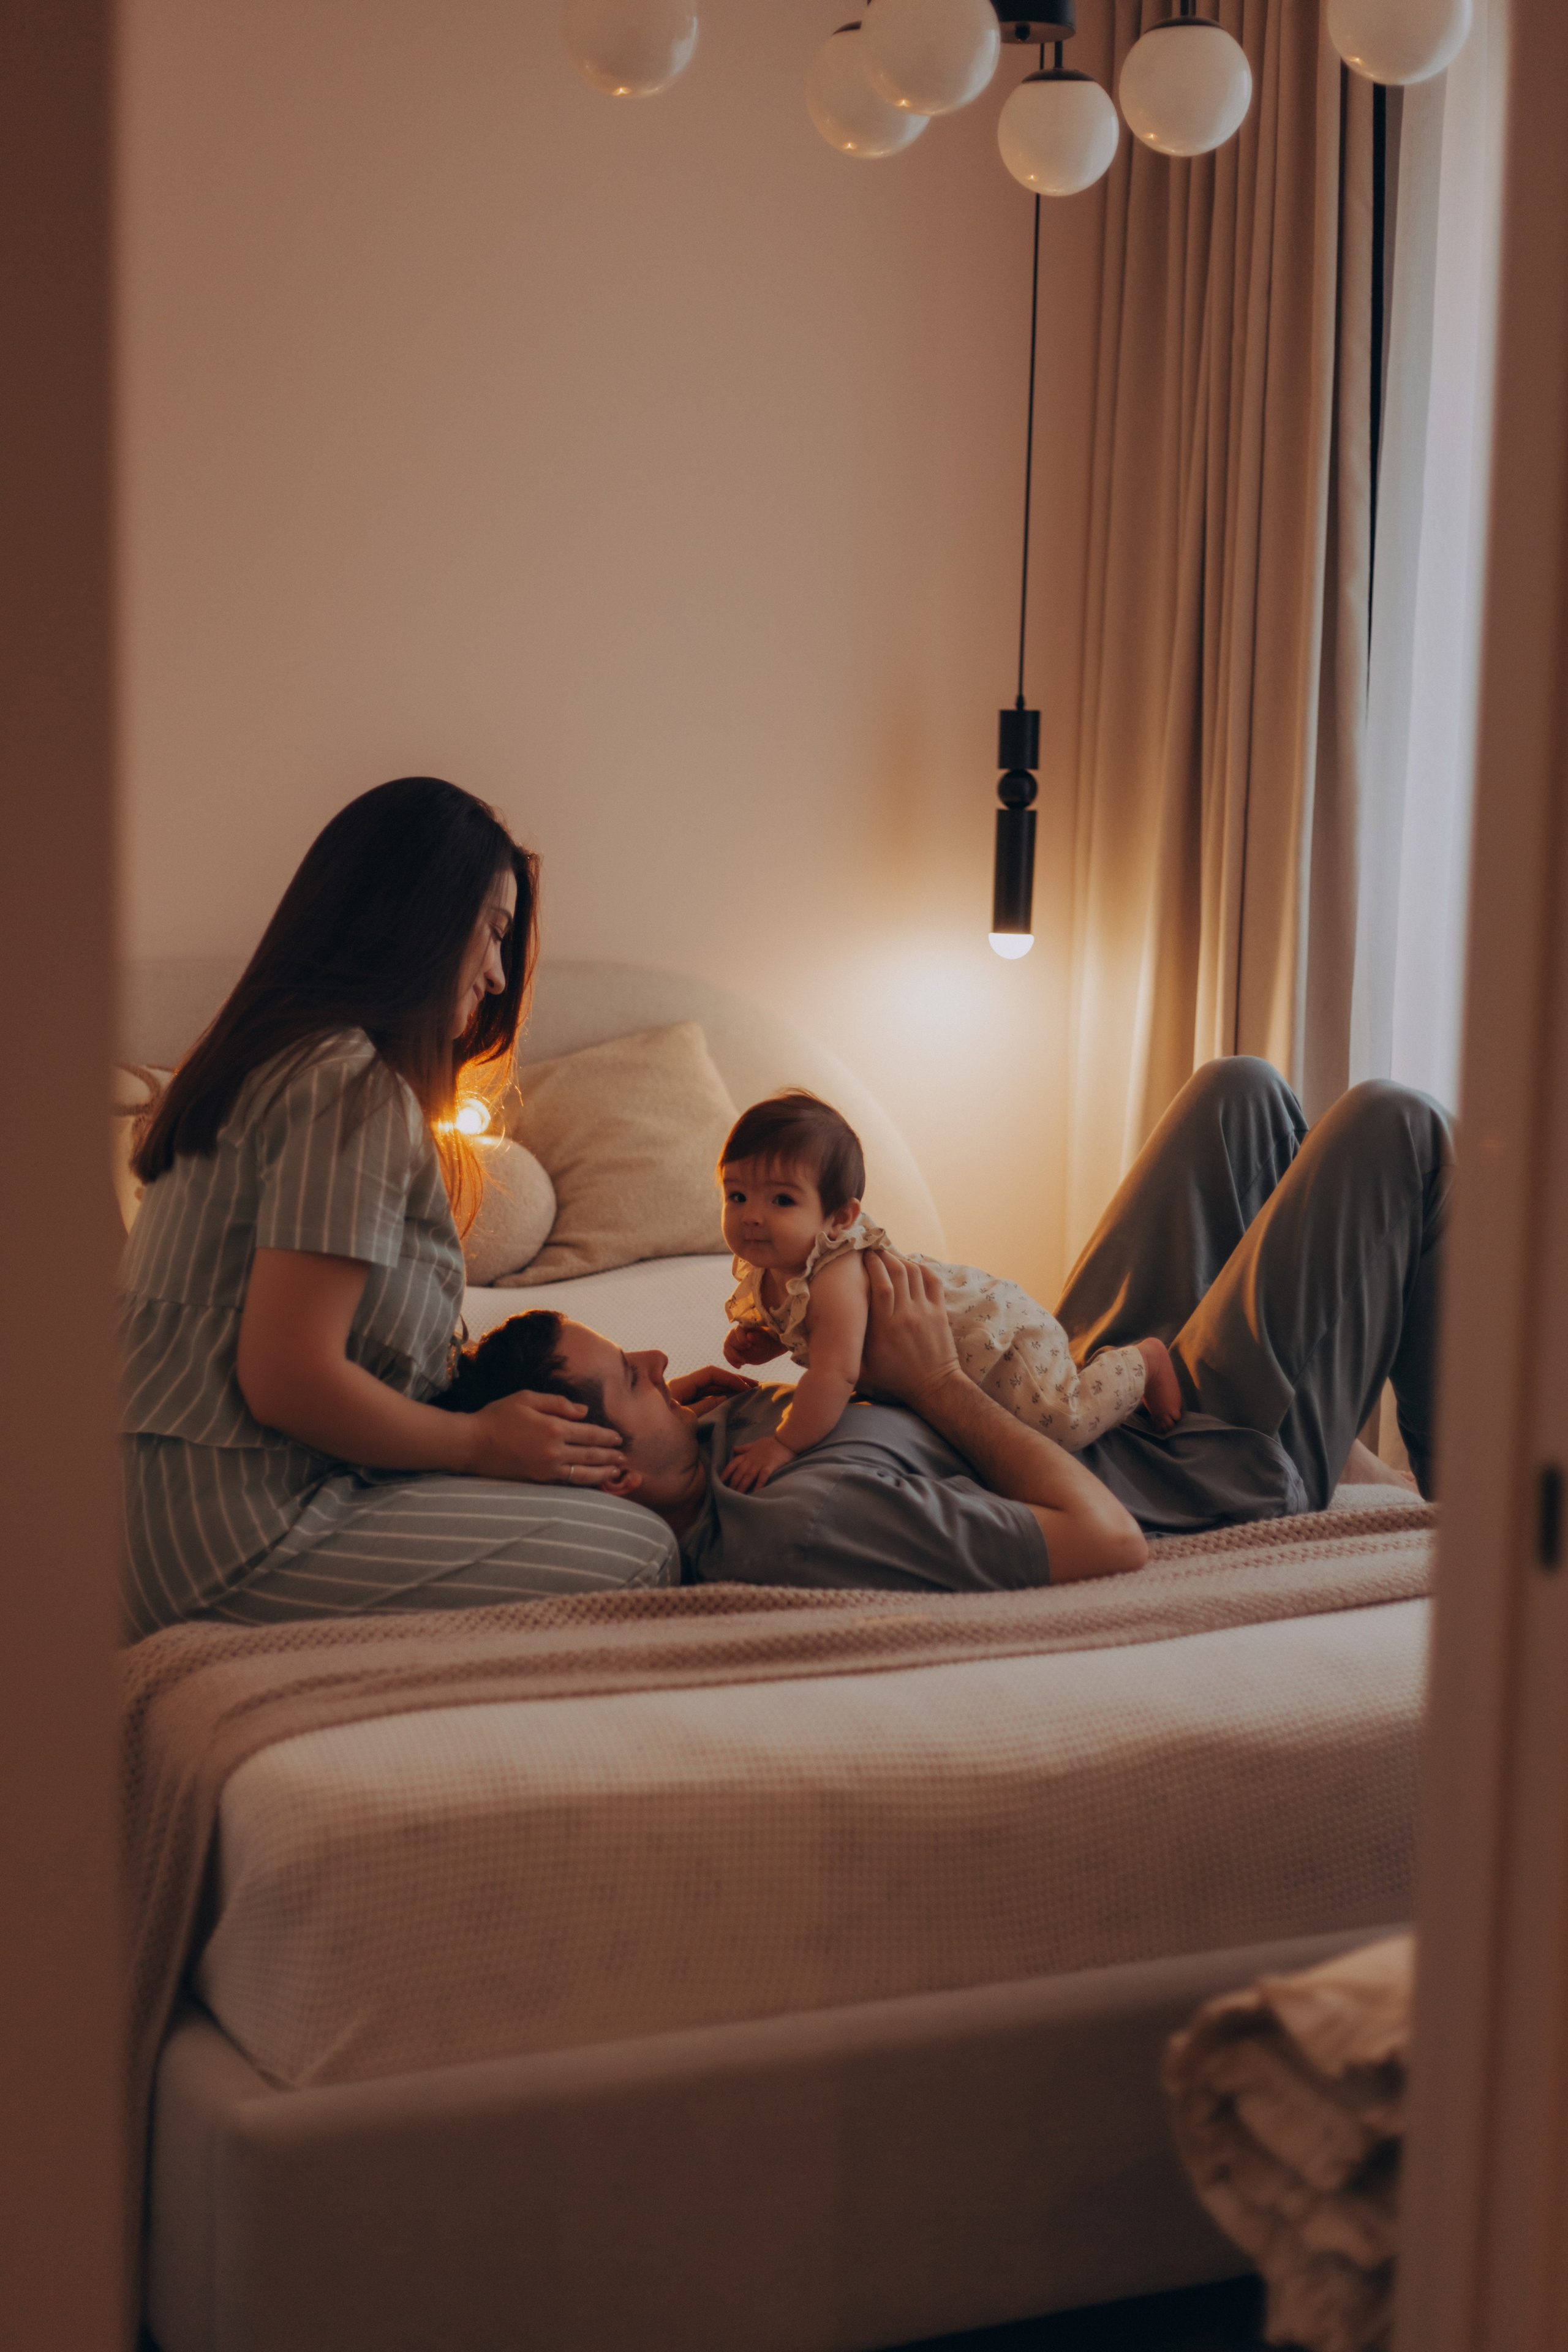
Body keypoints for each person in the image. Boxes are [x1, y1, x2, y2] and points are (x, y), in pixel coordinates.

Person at [117, 776, 751, 1637]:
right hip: (231, 1534)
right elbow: (289, 1378)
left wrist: (632, 1414)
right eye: (492, 930)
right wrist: (479, 1446)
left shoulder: (283, 1067)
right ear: (415, 915)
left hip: (165, 1520)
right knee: (633, 1545)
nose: (497, 973)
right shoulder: (346, 1088)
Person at [464, 1057, 1448, 1593]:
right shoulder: (795, 1523)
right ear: (613, 1470)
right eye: (633, 1379)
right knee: (1393, 1124)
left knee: (1234, 1091)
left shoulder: (715, 1443)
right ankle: (1476, 1504)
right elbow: (1107, 1541)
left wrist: (732, 1402)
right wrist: (933, 1381)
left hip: (1061, 1382)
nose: (651, 1357)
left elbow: (831, 1386)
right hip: (1190, 1465)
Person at [715, 1089, 1182, 1494]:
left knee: (1061, 1425)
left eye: (782, 1200)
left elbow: (833, 1374)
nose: (752, 1216)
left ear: (838, 1219)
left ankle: (1142, 1362)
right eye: (737, 1196)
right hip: (951, 1364)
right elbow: (805, 1326)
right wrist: (767, 1340)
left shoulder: (835, 1277)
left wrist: (783, 1444)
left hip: (999, 1340)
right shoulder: (773, 1265)